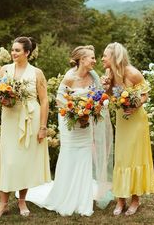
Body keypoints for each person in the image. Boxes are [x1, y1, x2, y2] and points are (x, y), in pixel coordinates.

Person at [25, 45, 113, 216]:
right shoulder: (70, 76)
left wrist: (90, 111)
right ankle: (65, 195)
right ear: (81, 59)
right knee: (70, 156)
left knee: (84, 158)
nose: (95, 61)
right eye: (92, 58)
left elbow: (101, 98)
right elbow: (59, 99)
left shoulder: (93, 76)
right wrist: (75, 114)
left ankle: (82, 199)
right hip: (71, 125)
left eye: (95, 58)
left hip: (86, 125)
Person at [0, 37, 51, 222]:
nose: (13, 53)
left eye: (17, 50)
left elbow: (45, 100)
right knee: (8, 161)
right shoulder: (5, 70)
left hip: (30, 119)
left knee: (24, 160)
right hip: (10, 119)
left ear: (27, 52)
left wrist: (43, 127)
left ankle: (22, 201)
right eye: (12, 49)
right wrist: (2, 99)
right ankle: (3, 204)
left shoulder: (37, 73)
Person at [102, 42, 154, 216]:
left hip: (136, 120)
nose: (103, 59)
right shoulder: (109, 73)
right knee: (122, 158)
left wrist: (136, 104)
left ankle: (135, 200)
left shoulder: (133, 73)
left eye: (105, 56)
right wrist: (107, 86)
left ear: (115, 57)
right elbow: (110, 95)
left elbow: (146, 94)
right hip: (122, 120)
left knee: (135, 158)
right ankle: (120, 200)